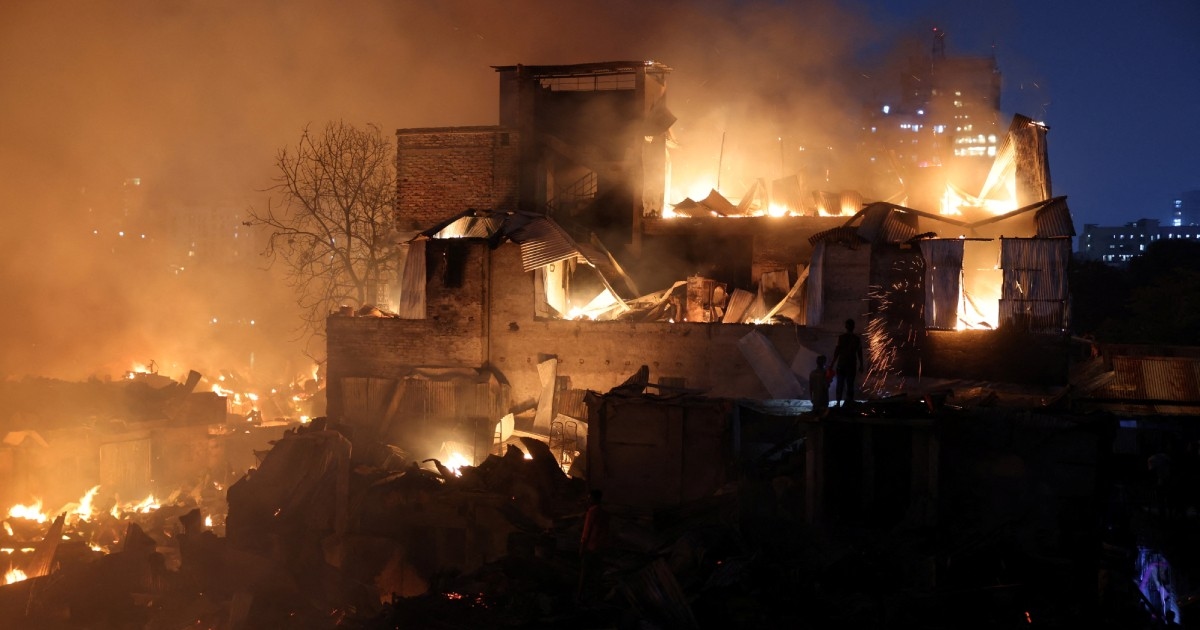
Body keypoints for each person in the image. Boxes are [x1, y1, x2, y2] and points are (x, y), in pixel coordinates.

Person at [576, 489, 609, 604]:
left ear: (595, 499)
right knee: (597, 574)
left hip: (591, 548)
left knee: (584, 573)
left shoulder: (591, 512)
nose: (588, 500)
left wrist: (582, 547)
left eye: (590, 498)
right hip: (601, 548)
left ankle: (579, 597)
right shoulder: (604, 513)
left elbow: (586, 532)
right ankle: (596, 598)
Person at [831, 318, 863, 408]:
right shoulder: (857, 339)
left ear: (846, 327)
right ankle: (849, 403)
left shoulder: (841, 338)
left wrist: (832, 363)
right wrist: (861, 365)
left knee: (840, 384)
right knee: (850, 384)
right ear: (853, 327)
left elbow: (837, 351)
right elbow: (859, 353)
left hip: (842, 365)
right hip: (851, 365)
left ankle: (838, 403)